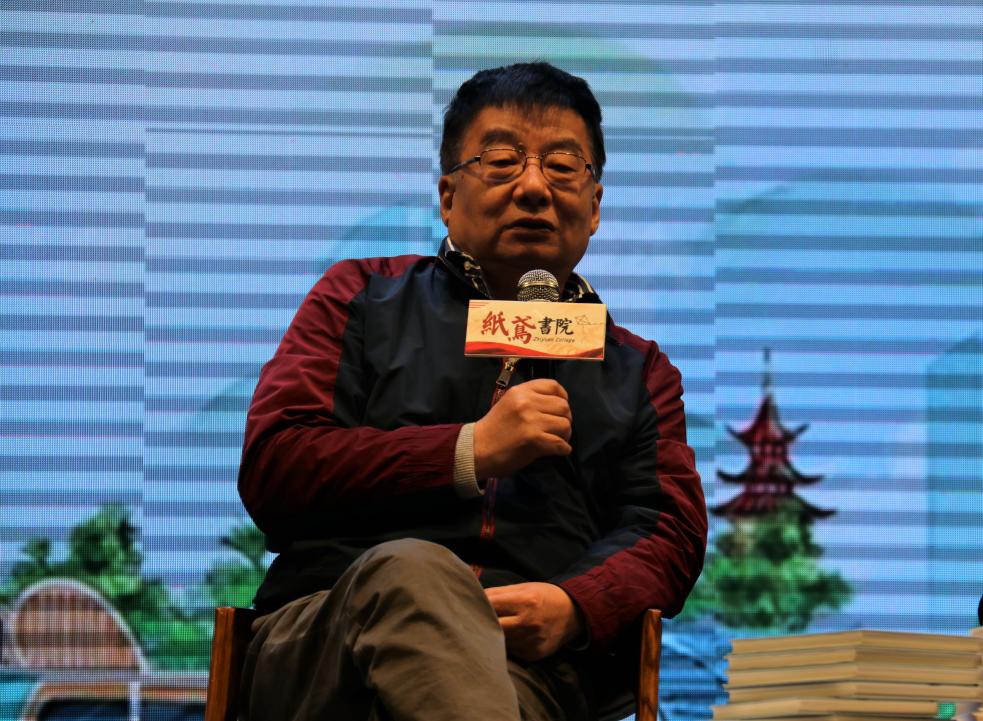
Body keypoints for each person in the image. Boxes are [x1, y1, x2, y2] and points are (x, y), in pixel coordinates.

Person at [236, 62, 707, 721]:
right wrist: (467, 450)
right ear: (447, 195)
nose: (534, 187)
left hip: (525, 668)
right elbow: (275, 465)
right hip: (326, 640)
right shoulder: (361, 297)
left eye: (562, 166)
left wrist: (574, 604)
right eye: (502, 161)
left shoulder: (636, 369)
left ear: (596, 206)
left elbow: (667, 530)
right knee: (412, 575)